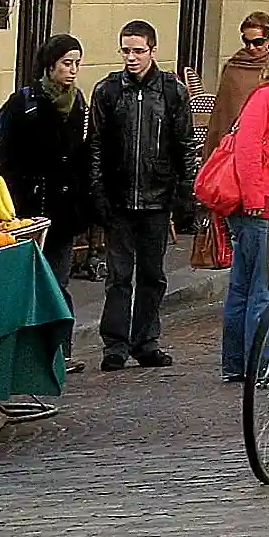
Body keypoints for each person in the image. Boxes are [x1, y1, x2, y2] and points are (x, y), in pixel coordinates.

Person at [89, 19, 196, 371]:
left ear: (152, 50)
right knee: (118, 276)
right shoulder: (108, 91)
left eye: (137, 50)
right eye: (126, 50)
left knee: (152, 276)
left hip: (156, 196)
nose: (131, 57)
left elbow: (184, 144)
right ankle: (115, 345)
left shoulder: (171, 92)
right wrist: (99, 192)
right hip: (119, 197)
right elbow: (96, 146)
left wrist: (184, 193)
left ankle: (146, 340)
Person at [0, 34, 92, 372]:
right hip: (28, 207)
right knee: (29, 280)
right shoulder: (25, 102)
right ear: (50, 65)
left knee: (58, 282)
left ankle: (60, 352)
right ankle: (25, 352)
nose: (73, 70)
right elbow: (2, 151)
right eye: (67, 63)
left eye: (77, 63)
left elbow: (82, 154)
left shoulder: (78, 103)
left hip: (64, 210)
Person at [219, 41, 269, 384]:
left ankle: (236, 363)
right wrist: (255, 197)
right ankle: (262, 365)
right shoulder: (267, 98)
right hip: (258, 206)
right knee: (261, 290)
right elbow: (247, 149)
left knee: (243, 287)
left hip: (255, 204)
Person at [202, 11, 269, 160]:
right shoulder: (234, 66)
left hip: (268, 145)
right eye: (246, 41)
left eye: (257, 42)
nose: (251, 47)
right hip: (234, 146)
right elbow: (222, 114)